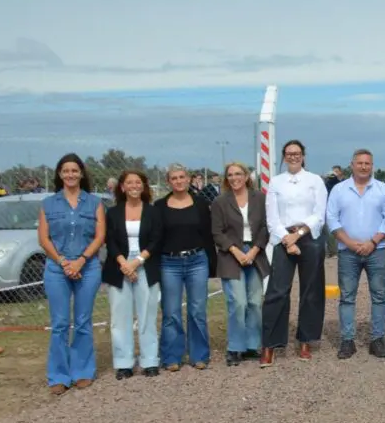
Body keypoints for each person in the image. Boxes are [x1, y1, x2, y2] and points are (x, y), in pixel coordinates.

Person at [37, 154, 105, 394]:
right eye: (66, 171)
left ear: (81, 174)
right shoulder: (48, 204)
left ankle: (83, 371)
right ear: (59, 174)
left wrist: (81, 261)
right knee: (60, 323)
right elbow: (44, 239)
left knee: (83, 321)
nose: (70, 175)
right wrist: (65, 262)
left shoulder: (94, 203)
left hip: (88, 268)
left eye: (75, 170)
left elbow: (99, 236)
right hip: (57, 269)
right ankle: (58, 374)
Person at [260, 140, 328, 366]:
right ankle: (270, 344)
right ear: (283, 156)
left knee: (311, 290)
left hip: (308, 236)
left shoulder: (315, 180)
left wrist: (298, 235)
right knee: (277, 290)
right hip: (283, 238)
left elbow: (319, 214)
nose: (293, 157)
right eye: (289, 154)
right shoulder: (276, 183)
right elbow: (272, 218)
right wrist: (287, 239)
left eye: (297, 153)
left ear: (303, 155)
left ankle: (306, 340)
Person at [326, 149, 385, 360]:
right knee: (346, 297)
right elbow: (332, 219)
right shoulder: (338, 190)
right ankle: (347, 340)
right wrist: (349, 242)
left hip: (377, 250)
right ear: (351, 165)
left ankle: (377, 339)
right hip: (348, 251)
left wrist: (373, 242)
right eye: (360, 163)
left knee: (379, 297)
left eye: (367, 163)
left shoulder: (383, 189)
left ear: (372, 166)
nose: (364, 167)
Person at [155, 163, 217, 371]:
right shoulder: (160, 207)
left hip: (197, 261)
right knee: (171, 311)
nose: (179, 181)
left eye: (182, 177)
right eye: (174, 178)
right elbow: (156, 239)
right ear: (168, 181)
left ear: (189, 179)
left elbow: (208, 235)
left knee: (197, 310)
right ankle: (172, 356)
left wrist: (212, 264)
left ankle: (199, 354)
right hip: (169, 263)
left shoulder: (200, 204)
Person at [102, 170, 162, 379]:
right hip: (119, 268)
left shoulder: (153, 212)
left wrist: (137, 262)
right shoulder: (112, 213)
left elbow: (156, 239)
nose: (134, 186)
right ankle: (124, 362)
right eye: (130, 182)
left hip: (146, 265)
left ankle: (150, 360)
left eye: (138, 182)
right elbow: (109, 240)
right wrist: (124, 264)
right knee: (120, 317)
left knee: (147, 315)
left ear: (144, 186)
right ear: (122, 187)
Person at [211, 162, 271, 367]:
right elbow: (217, 232)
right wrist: (236, 251)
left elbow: (265, 227)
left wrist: (254, 250)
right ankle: (235, 347)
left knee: (255, 301)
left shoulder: (260, 199)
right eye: (230, 175)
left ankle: (252, 345)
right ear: (226, 179)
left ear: (246, 176)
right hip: (231, 255)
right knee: (238, 302)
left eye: (238, 174)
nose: (234, 178)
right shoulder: (220, 201)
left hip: (255, 253)